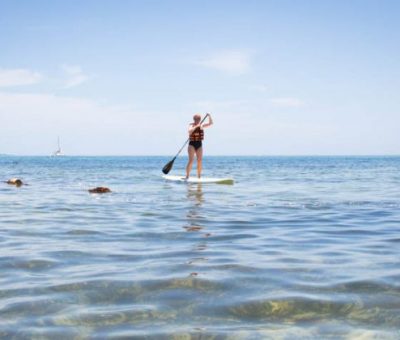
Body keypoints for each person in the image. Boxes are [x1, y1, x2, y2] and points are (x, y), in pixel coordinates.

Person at [186, 113, 213, 179]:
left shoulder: (202, 125)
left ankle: (199, 176)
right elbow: (189, 131)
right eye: (196, 119)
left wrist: (209, 116)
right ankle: (187, 176)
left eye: (199, 119)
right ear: (194, 119)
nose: (197, 120)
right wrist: (196, 126)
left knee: (199, 160)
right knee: (191, 160)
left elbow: (210, 123)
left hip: (199, 144)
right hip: (192, 144)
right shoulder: (191, 125)